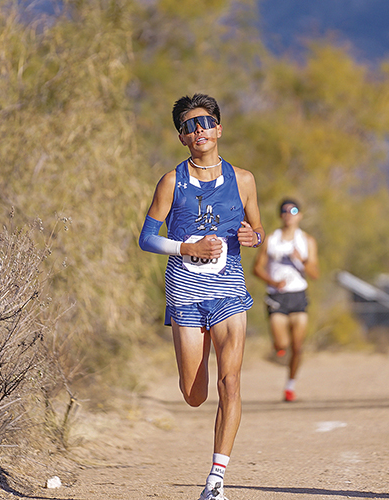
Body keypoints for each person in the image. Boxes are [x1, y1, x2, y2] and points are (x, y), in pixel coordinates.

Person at [139, 93, 264, 500]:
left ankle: (216, 480)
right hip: (186, 293)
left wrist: (253, 236)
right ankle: (196, 374)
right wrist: (186, 248)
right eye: (190, 126)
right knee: (195, 395)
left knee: (231, 383)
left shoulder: (243, 179)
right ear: (181, 137)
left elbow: (258, 232)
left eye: (206, 122)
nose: (199, 131)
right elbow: (146, 239)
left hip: (228, 288)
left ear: (219, 129)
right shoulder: (171, 181)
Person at [252, 198, 319, 402]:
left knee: (298, 347)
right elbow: (256, 268)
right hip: (277, 296)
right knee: (282, 343)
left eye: (294, 210)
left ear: (300, 215)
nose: (289, 214)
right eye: (285, 211)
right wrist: (272, 281)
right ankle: (278, 348)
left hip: (298, 295)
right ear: (280, 215)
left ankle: (290, 386)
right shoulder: (272, 240)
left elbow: (315, 273)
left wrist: (302, 260)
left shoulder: (307, 241)